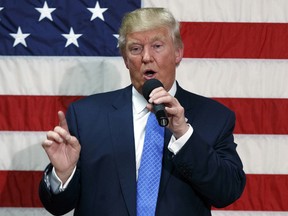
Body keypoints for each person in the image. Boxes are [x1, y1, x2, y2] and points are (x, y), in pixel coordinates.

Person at [39, 7, 246, 216]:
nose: (146, 57)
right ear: (126, 59)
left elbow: (227, 192)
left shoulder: (214, 117)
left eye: (157, 46)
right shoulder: (86, 116)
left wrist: (184, 134)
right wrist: (63, 174)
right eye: (136, 49)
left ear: (178, 53)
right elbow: (57, 206)